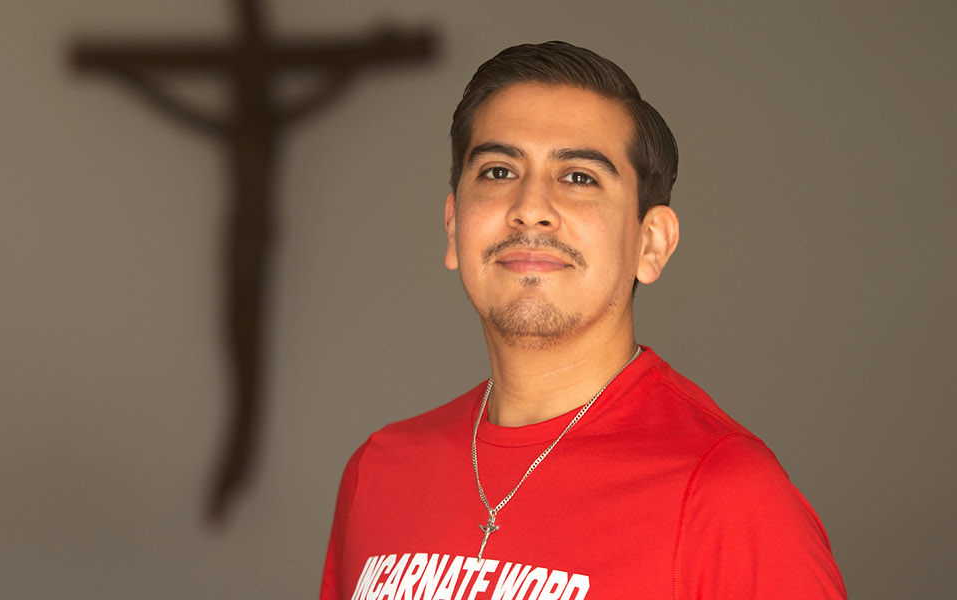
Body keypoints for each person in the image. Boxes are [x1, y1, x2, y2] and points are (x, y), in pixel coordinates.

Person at [319, 42, 846, 600]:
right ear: (453, 227)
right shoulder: (379, 473)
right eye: (499, 170)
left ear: (651, 243)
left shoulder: (726, 494)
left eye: (578, 178)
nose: (530, 207)